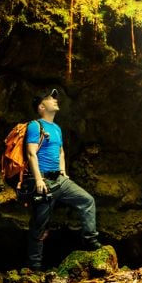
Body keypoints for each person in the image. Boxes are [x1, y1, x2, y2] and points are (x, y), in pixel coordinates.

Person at [25, 88, 101, 269]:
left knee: (87, 200)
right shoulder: (36, 126)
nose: (55, 100)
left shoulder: (57, 128)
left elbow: (61, 151)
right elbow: (31, 154)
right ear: (41, 106)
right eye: (50, 98)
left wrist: (63, 171)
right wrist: (38, 180)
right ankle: (34, 266)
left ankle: (90, 240)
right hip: (44, 181)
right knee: (39, 225)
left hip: (59, 180)